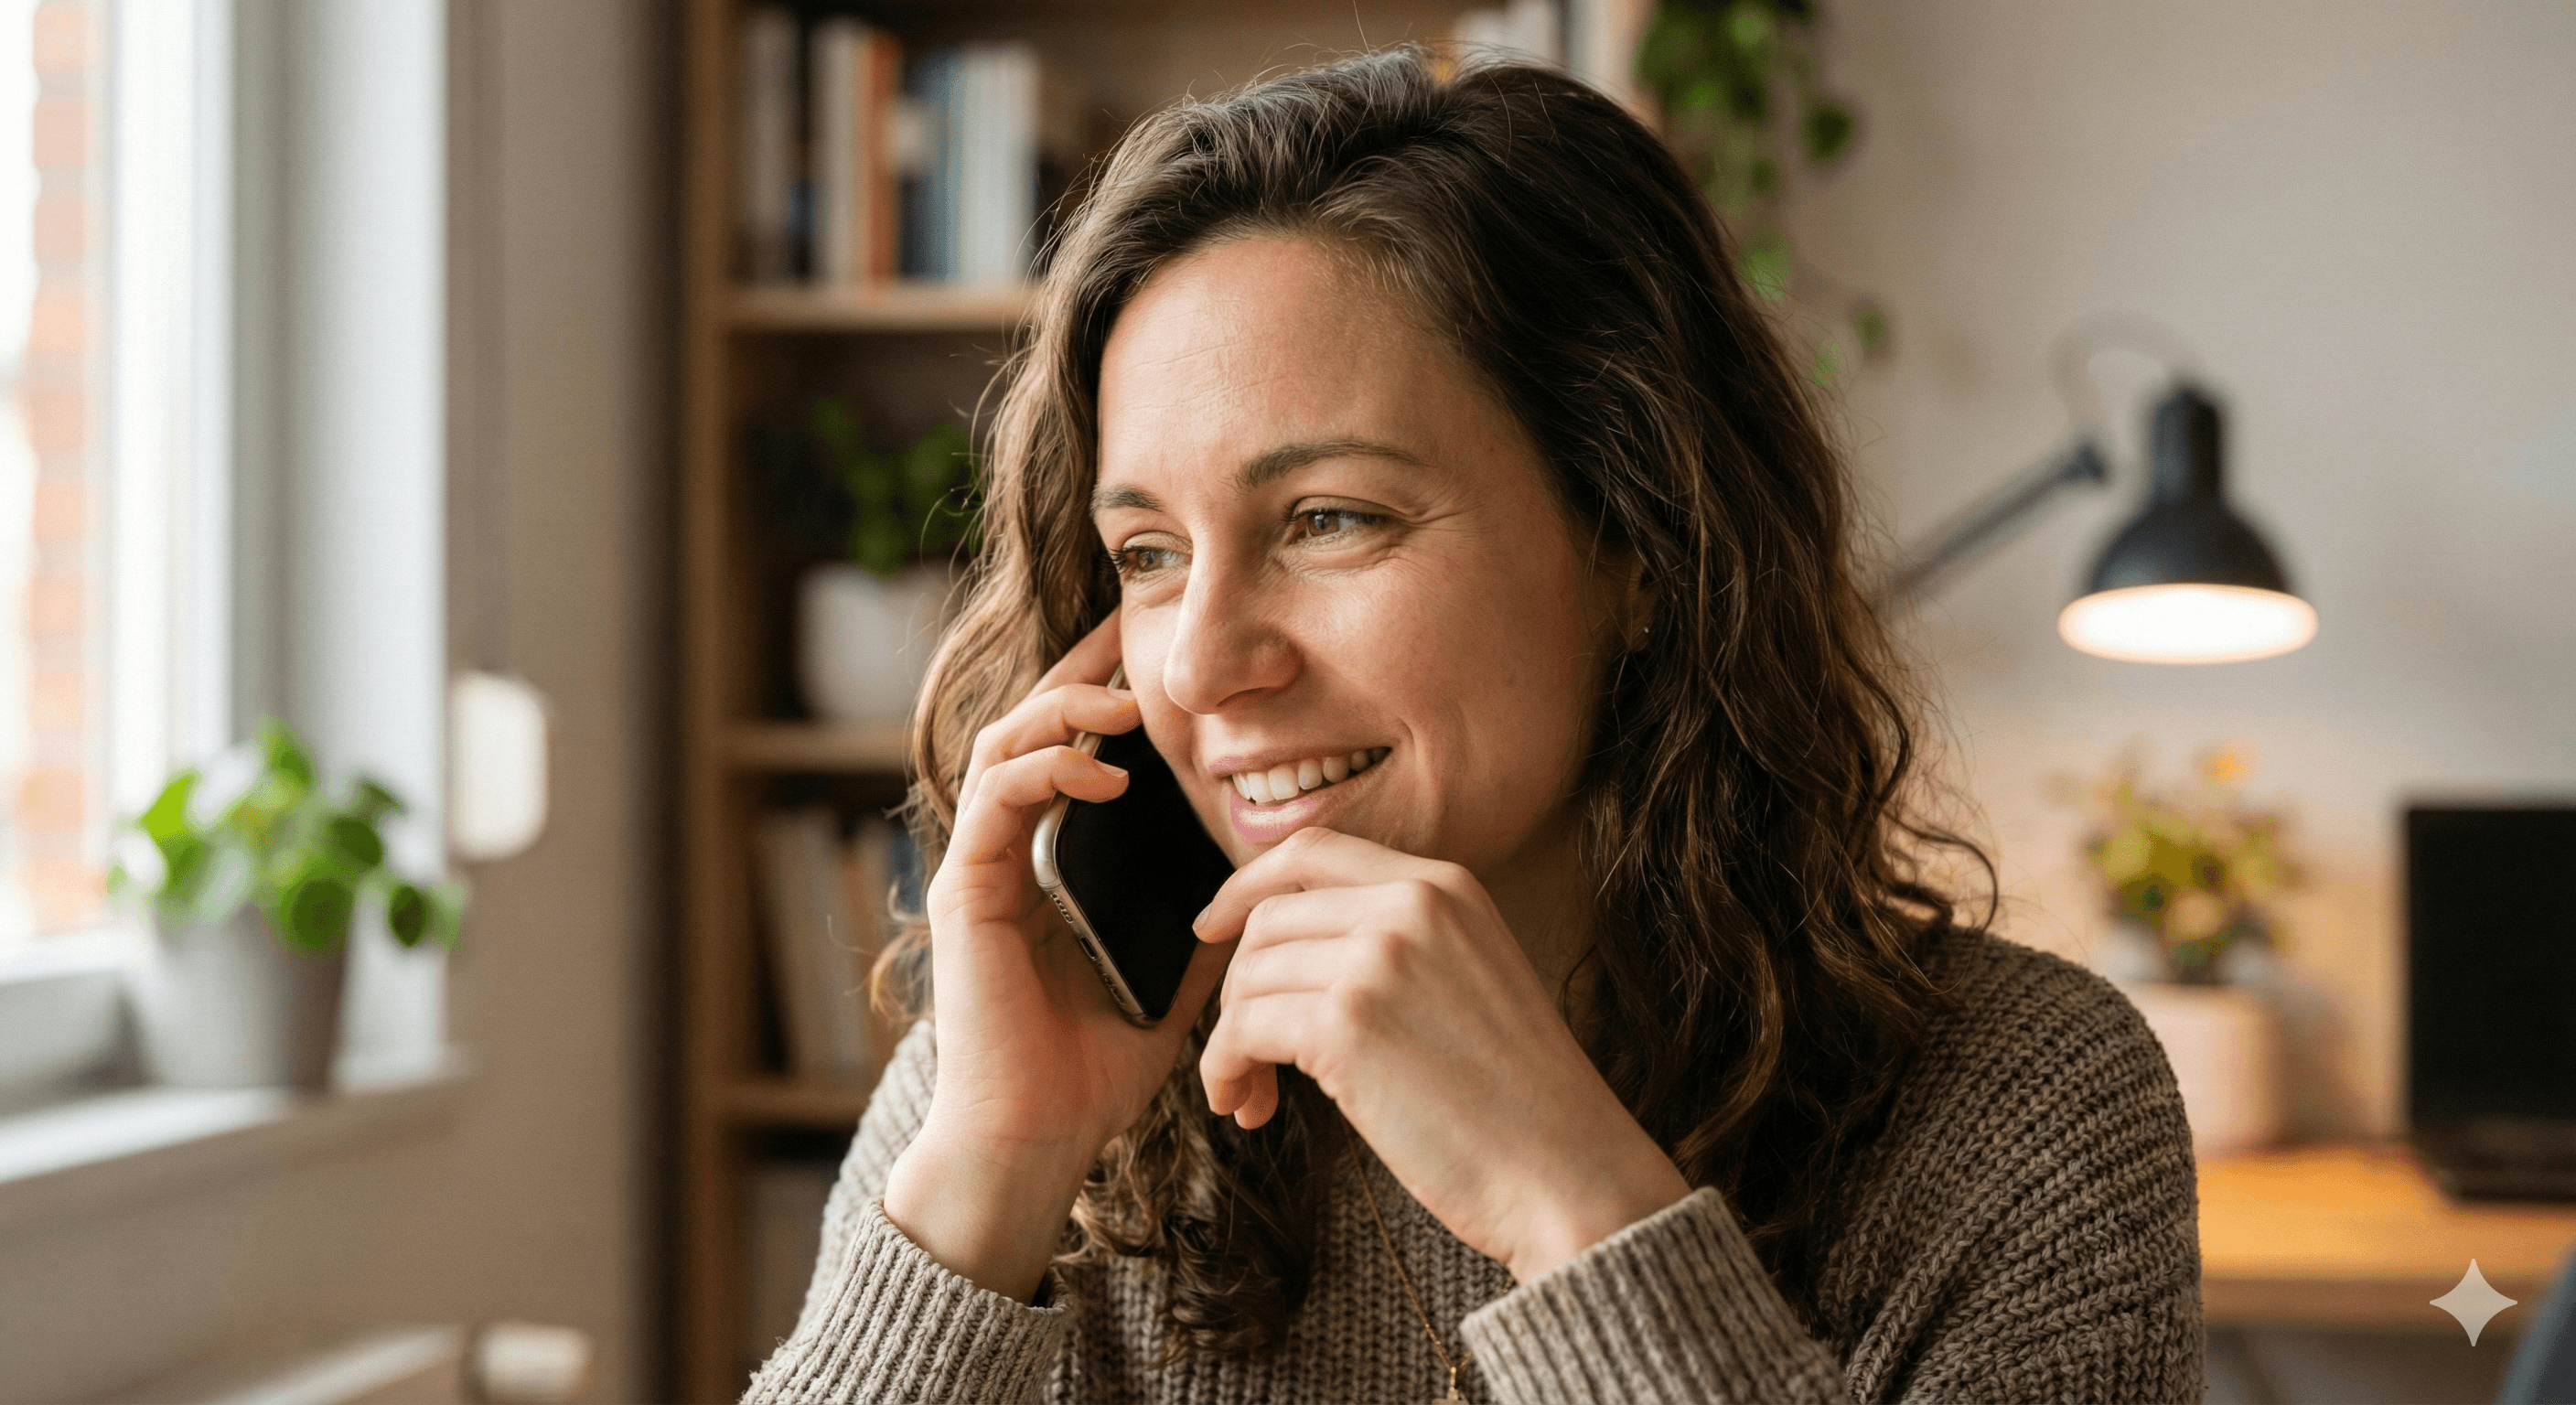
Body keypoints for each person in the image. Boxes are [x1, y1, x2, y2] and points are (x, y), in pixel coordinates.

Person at [747, 45, 2202, 1405]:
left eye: (1330, 519)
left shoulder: (2024, 1114)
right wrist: (988, 1175)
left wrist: (1580, 1211)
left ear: (1641, 545)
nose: (1196, 665)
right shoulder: (1023, 1079)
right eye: (1147, 555)